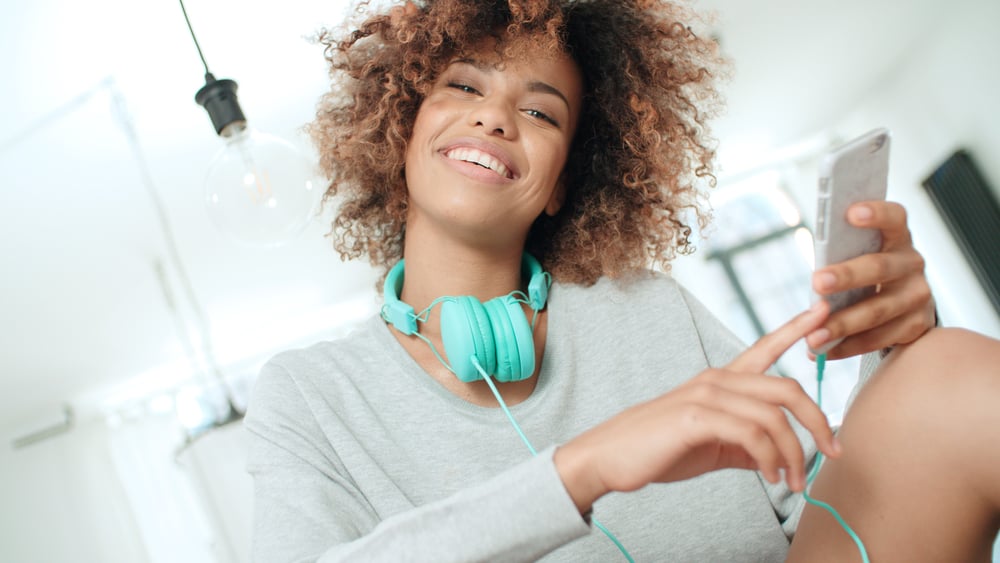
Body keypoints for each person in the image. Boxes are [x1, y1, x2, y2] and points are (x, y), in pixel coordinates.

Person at [244, 1, 1000, 561]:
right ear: (403, 125)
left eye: (540, 111)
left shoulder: (647, 305)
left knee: (951, 369)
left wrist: (899, 350)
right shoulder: (306, 394)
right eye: (465, 88)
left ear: (563, 184)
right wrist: (583, 466)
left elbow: (827, 495)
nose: (497, 118)